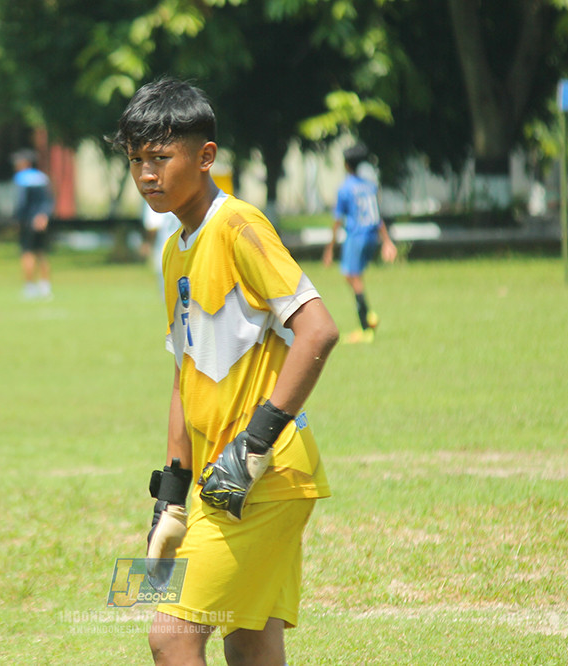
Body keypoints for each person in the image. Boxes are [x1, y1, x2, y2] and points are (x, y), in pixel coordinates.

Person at [110, 77, 339, 666]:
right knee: (249, 641)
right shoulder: (174, 249)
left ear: (205, 156)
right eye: (135, 160)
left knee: (171, 634)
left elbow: (318, 329)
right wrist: (171, 495)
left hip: (263, 476)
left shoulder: (239, 227)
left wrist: (255, 443)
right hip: (221, 481)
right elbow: (184, 374)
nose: (146, 175)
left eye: (161, 158)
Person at [323, 143, 397, 344]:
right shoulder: (370, 186)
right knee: (354, 276)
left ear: (346, 165)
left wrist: (330, 248)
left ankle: (367, 322)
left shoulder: (345, 189)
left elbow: (338, 220)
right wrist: (387, 241)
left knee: (351, 276)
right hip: (372, 236)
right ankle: (366, 319)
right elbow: (377, 216)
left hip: (356, 237)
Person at [11, 149, 55, 300]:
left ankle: (29, 287)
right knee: (41, 253)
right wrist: (44, 216)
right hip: (42, 220)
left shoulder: (21, 178)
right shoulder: (42, 177)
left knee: (27, 253)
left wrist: (17, 219)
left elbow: (21, 203)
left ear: (26, 163)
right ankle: (45, 286)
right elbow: (49, 200)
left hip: (28, 221)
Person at [142, 201, 181, 296]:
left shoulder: (155, 199)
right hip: (185, 253)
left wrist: (148, 243)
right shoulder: (182, 197)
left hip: (164, 254)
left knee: (169, 297)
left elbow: (152, 227)